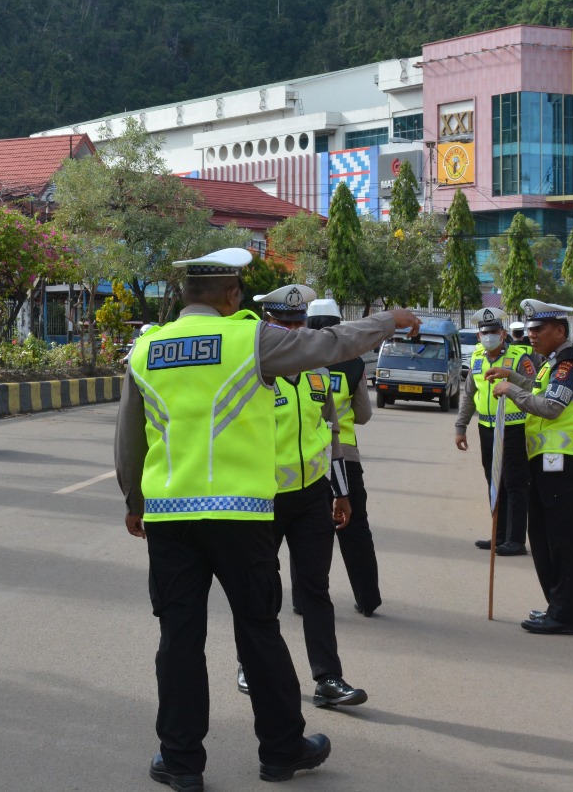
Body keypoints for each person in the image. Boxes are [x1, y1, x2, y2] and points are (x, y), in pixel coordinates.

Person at [115, 248, 420, 791]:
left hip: (168, 518)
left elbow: (129, 440)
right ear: (232, 294)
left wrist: (135, 502)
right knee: (259, 631)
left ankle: (180, 762)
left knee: (179, 638)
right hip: (240, 515)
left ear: (185, 295)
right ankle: (281, 751)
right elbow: (332, 344)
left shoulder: (146, 349)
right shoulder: (250, 339)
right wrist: (387, 320)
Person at [232, 285, 366, 709]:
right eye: (283, 323)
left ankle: (328, 678)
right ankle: (250, 664)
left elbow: (334, 434)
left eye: (298, 323)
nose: (292, 331)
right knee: (261, 587)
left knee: (315, 590)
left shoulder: (318, 373)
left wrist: (341, 493)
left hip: (312, 496)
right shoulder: (252, 375)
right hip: (262, 499)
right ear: (268, 325)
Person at [492, 299, 573, 635]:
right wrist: (514, 377)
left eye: (538, 329)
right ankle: (556, 606)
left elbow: (550, 407)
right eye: (530, 329)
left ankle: (565, 615)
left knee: (560, 539)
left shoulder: (567, 364)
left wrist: (510, 390)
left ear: (559, 330)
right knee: (542, 535)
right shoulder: (552, 364)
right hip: (547, 463)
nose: (531, 334)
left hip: (560, 464)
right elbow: (539, 390)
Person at [308, 299, 382, 617]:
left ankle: (304, 600)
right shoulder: (354, 363)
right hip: (346, 456)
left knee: (308, 534)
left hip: (307, 459)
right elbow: (363, 414)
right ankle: (367, 600)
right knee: (356, 529)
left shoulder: (295, 361)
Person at [454, 307, 537, 556]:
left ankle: (515, 539)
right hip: (487, 428)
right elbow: (469, 395)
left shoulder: (519, 358)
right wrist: (461, 427)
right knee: (494, 482)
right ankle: (498, 535)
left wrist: (511, 377)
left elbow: (535, 386)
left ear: (503, 334)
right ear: (478, 336)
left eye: (493, 331)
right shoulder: (477, 358)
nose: (489, 336)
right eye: (484, 332)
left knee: (514, 483)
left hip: (513, 428)